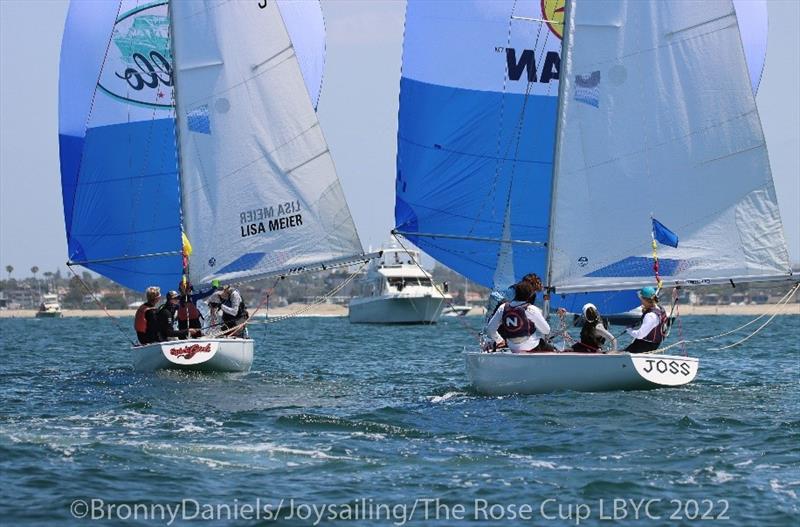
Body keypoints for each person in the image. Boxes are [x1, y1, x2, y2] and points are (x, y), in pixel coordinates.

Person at [485, 280, 552, 353]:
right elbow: (546, 330)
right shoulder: (531, 309)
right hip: (532, 346)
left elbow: (490, 330)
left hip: (512, 347)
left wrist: (500, 340)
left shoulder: (503, 307)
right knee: (551, 348)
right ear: (530, 295)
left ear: (516, 293)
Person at [624, 286, 668, 353]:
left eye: (641, 298)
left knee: (618, 354)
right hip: (650, 344)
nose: (640, 300)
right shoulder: (659, 308)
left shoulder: (650, 316)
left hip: (645, 346)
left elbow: (639, 335)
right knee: (620, 352)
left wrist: (628, 329)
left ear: (644, 300)